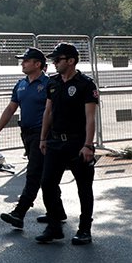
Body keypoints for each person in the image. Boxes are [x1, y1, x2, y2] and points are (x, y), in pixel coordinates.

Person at [35, 43, 99, 246]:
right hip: (55, 141)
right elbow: (48, 112)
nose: (54, 62)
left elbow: (90, 117)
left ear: (70, 61)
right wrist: (43, 138)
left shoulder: (85, 84)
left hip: (77, 143)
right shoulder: (53, 83)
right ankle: (54, 226)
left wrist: (88, 145)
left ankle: (84, 229)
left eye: (58, 59)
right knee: (47, 183)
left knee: (83, 188)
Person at [0, 47, 53, 229]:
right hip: (26, 133)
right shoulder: (21, 84)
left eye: (26, 61)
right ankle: (56, 212)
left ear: (38, 64)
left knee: (34, 173)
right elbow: (11, 108)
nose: (22, 63)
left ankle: (19, 212)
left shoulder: (49, 84)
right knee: (44, 174)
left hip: (42, 134)